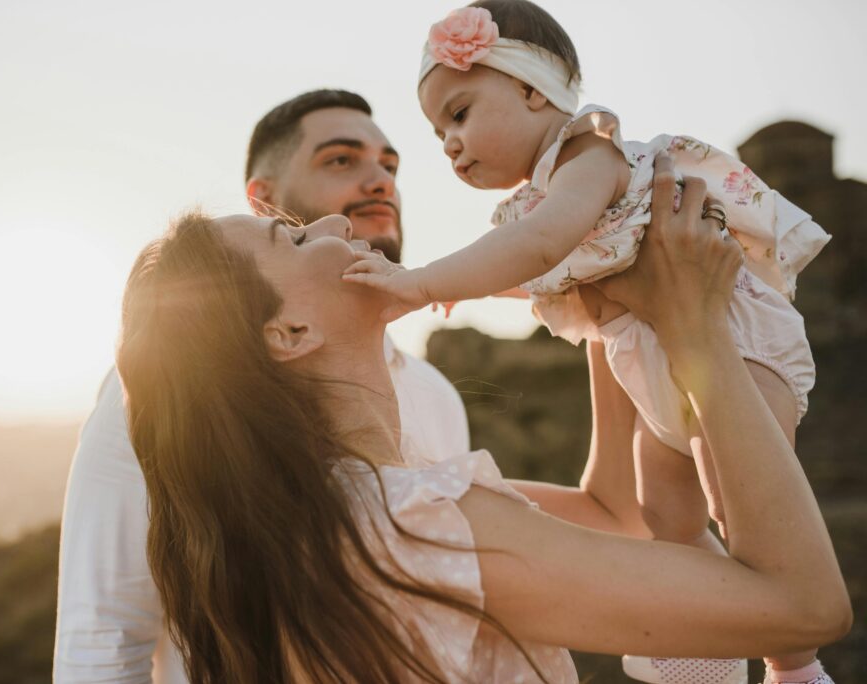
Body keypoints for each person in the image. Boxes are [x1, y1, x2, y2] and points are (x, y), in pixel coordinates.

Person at [114, 155, 850, 684]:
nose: (333, 219)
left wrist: (605, 284)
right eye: (296, 240)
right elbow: (802, 607)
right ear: (289, 334)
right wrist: (696, 333)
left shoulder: (351, 513)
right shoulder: (412, 524)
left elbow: (615, 510)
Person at [342, 4, 833, 681]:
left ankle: (796, 667)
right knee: (667, 513)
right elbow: (537, 265)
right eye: (438, 134)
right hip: (660, 363)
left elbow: (538, 247)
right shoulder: (542, 200)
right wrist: (464, 281)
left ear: (531, 89)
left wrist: (421, 284)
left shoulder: (589, 154)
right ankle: (703, 650)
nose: (449, 144)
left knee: (735, 503)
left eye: (458, 114)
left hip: (737, 345)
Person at [53, 90, 470, 683]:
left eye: (390, 165)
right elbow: (100, 641)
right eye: (341, 161)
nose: (379, 180)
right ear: (263, 201)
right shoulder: (164, 398)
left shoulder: (435, 394)